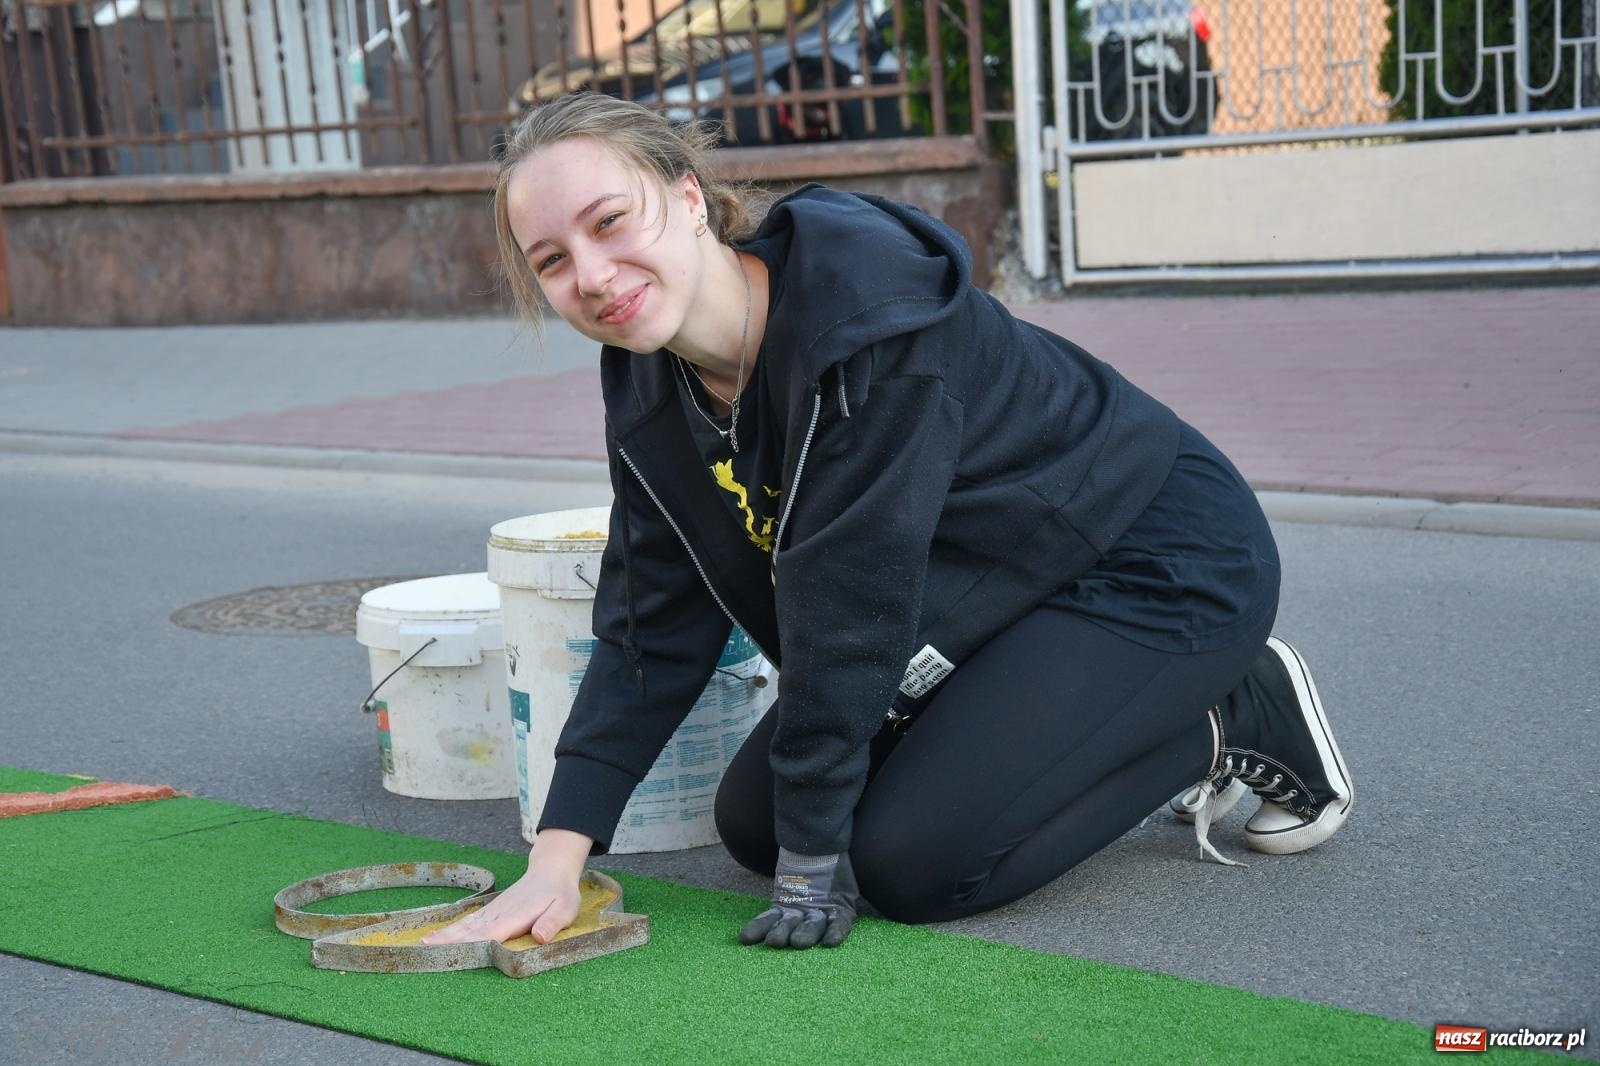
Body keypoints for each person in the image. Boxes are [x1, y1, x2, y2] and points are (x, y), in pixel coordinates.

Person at [421, 92, 1355, 953]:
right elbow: (648, 626)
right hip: (993, 586)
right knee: (756, 822)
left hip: (1154, 557)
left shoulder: (869, 321)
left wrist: (812, 867)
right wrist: (557, 854)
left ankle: (1231, 711)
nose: (591, 273)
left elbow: (850, 600)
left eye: (610, 222)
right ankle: (1065, 707)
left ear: (691, 197)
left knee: (916, 867)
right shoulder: (648, 379)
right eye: (551, 259)